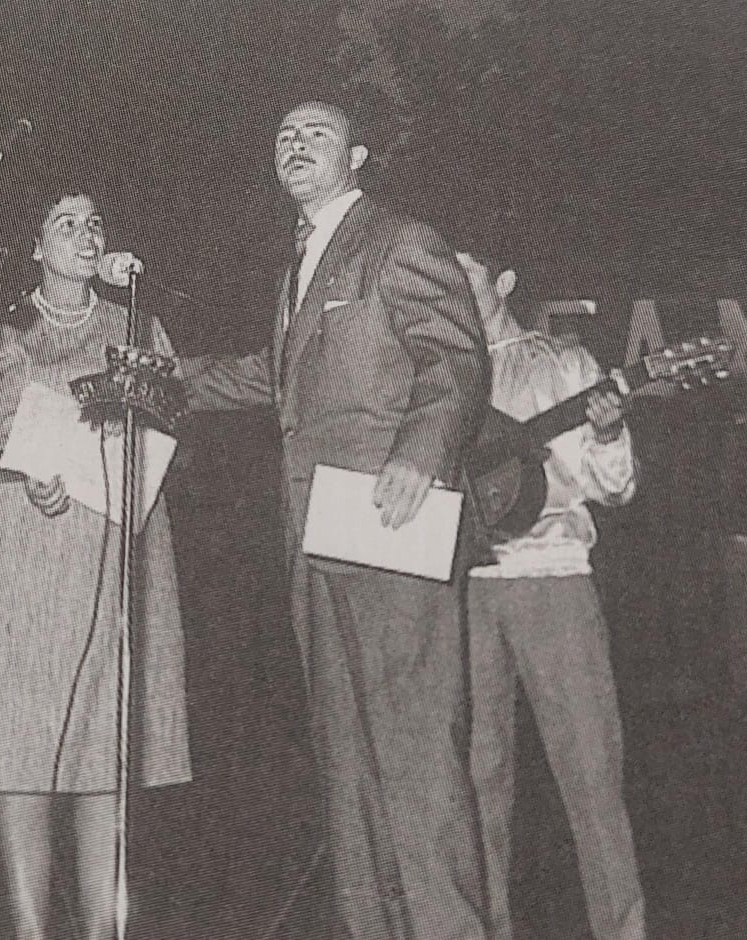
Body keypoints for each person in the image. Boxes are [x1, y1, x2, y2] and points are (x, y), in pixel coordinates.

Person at [178, 100, 491, 940]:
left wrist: (420, 453)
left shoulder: (396, 240)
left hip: (389, 525)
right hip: (315, 539)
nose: (293, 142)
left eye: (315, 131)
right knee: (349, 768)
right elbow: (274, 381)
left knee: (416, 755)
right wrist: (164, 380)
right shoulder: (299, 268)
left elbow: (456, 356)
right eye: (282, 133)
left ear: (358, 154)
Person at [0, 184, 191, 940]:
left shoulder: (138, 322)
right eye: (65, 223)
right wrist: (20, 471)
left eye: (95, 223)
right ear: (35, 244)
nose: (85, 236)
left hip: (114, 552)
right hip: (20, 552)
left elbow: (167, 428)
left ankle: (105, 931)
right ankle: (29, 929)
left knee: (101, 745)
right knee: (19, 743)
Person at [456, 252, 646, 940]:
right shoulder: (438, 374)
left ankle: (622, 930)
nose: (451, 286)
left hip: (554, 579)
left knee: (592, 772)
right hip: (465, 590)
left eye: (465, 273)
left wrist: (606, 430)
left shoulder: (564, 361)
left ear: (502, 282)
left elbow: (613, 487)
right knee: (475, 786)